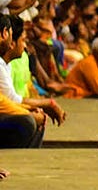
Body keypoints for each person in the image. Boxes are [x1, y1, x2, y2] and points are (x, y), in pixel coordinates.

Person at [0, 14, 65, 147]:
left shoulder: (8, 64)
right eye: (23, 40)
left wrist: (31, 109)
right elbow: (7, 101)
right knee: (27, 122)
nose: (25, 46)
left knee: (33, 117)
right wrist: (29, 112)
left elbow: (5, 101)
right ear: (5, 34)